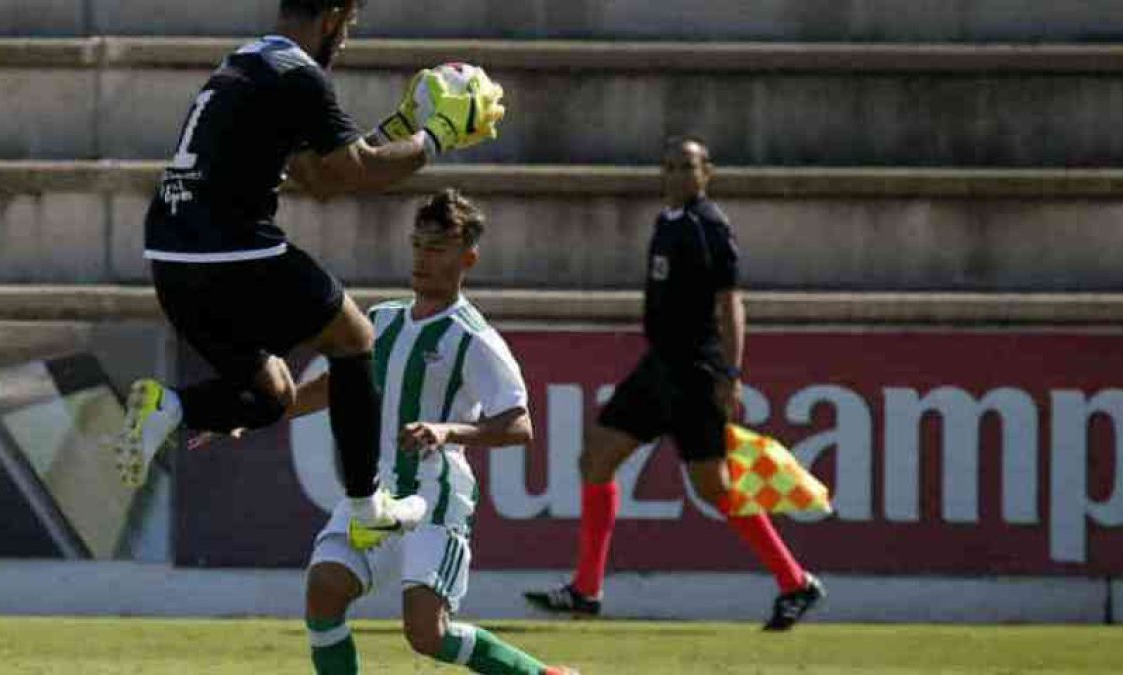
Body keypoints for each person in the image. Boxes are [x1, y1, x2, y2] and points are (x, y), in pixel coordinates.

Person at [112, 0, 503, 547]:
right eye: (349, 25)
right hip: (231, 250)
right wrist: (435, 136)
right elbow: (355, 174)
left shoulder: (248, 61)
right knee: (355, 338)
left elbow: (316, 177)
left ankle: (169, 407)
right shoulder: (300, 75)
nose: (347, 39)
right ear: (333, 15)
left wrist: (399, 127)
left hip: (173, 260)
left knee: (273, 396)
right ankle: (368, 504)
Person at [523, 136, 825, 630]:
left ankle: (796, 582)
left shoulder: (709, 226)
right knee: (596, 458)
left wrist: (730, 372)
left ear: (708, 173)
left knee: (714, 488)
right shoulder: (668, 223)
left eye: (688, 166)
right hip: (660, 366)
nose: (678, 175)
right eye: (670, 167)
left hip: (694, 371)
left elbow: (730, 302)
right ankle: (586, 589)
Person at [278, 190, 576, 674]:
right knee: (324, 591)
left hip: (436, 497)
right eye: (418, 244)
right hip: (375, 494)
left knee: (426, 633)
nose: (422, 257)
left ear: (468, 258)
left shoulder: (473, 337)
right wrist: (254, 412)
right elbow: (336, 387)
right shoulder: (382, 320)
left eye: (437, 248)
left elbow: (519, 425)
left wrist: (448, 430)